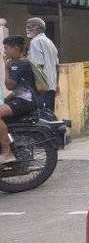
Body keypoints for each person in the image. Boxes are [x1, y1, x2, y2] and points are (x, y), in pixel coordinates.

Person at [0, 36, 37, 164]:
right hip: (22, 98)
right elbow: (20, 88)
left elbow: (10, 85)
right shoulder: (22, 62)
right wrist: (4, 100)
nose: (5, 52)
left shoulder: (19, 63)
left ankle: (7, 152)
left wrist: (6, 67)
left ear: (16, 48)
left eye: (6, 48)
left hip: (24, 101)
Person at [25, 17, 58, 114]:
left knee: (41, 118)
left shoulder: (35, 41)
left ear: (39, 28)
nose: (27, 28)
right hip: (51, 86)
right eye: (27, 26)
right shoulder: (49, 42)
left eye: (31, 26)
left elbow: (37, 66)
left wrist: (39, 88)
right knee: (49, 115)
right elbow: (57, 66)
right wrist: (57, 84)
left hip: (42, 88)